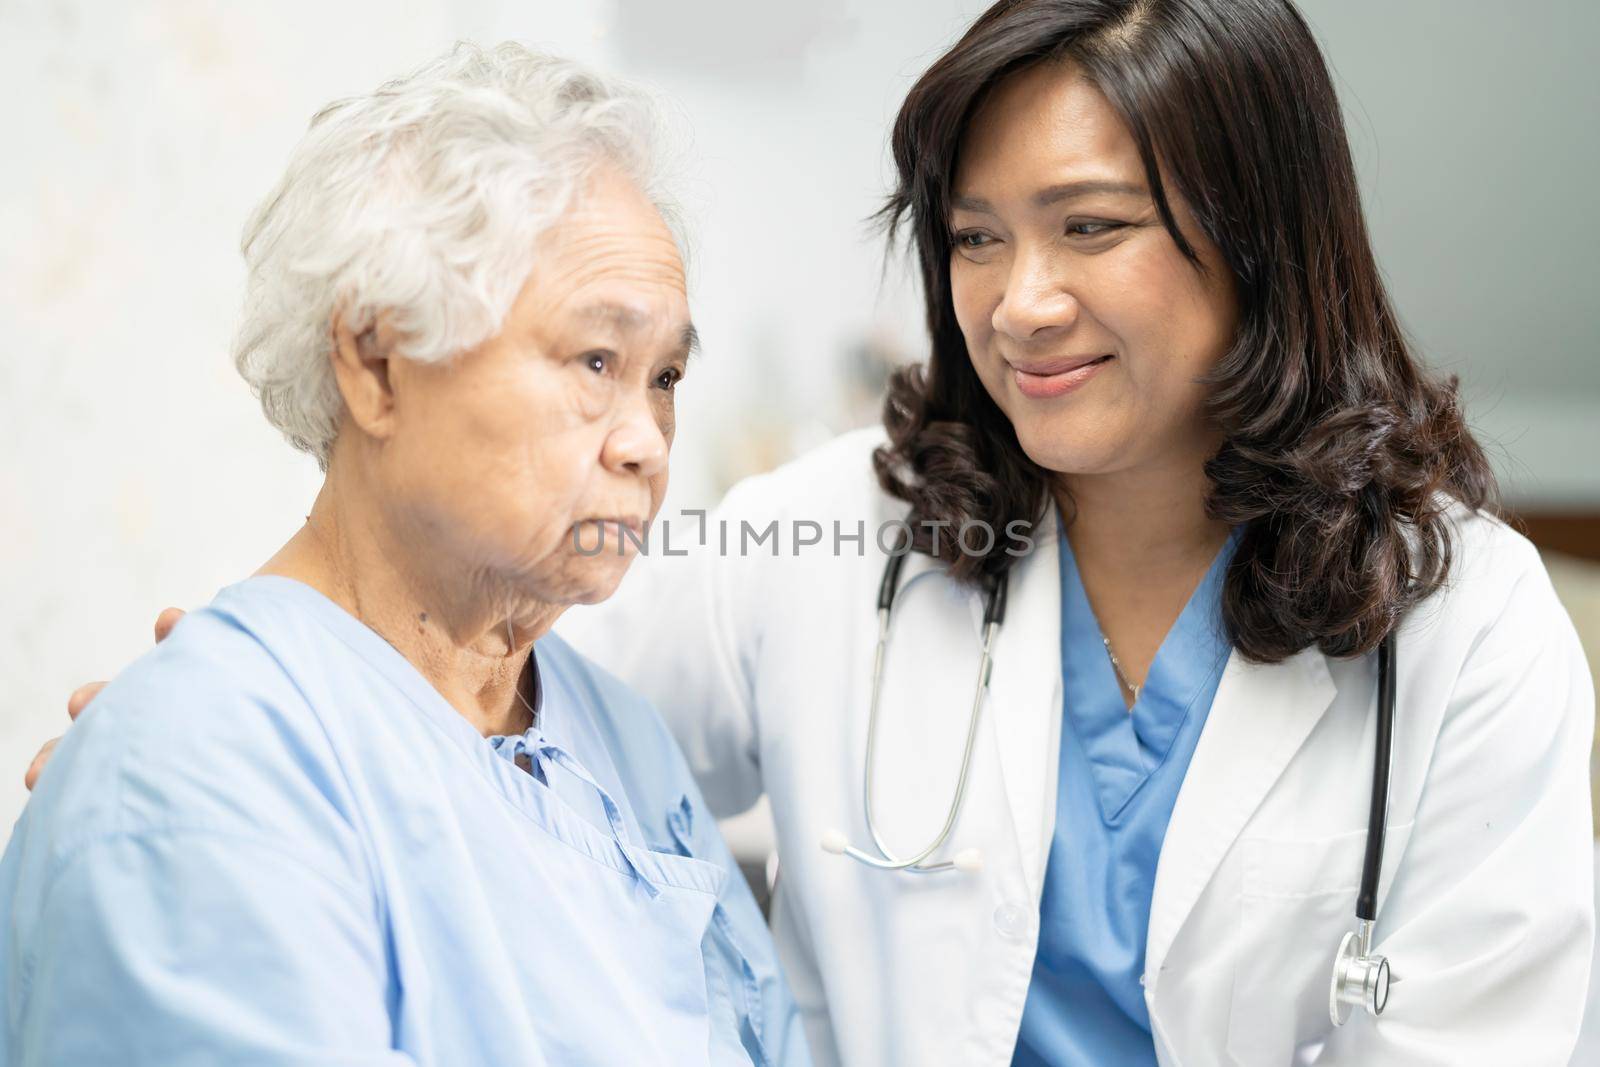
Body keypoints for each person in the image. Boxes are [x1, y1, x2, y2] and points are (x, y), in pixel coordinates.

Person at [27, 2, 1597, 1065]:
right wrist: (207, 718)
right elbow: (449, 676)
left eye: (1091, 226)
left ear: (1262, 241)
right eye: (977, 236)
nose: (1019, 299)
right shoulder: (836, 536)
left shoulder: (1467, 622)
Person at [3, 42, 806, 1067]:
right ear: (377, 364)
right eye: (595, 359)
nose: (645, 438)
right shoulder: (195, 765)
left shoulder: (623, 740)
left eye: (665, 375)